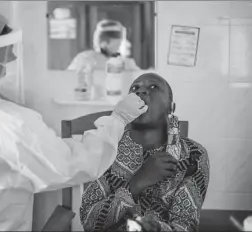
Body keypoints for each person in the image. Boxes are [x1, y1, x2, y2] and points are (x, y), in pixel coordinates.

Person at [0, 9, 149, 231]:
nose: (13, 55)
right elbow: (73, 165)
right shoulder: (7, 120)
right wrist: (118, 119)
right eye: (6, 50)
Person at [80, 73, 210, 232]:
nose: (140, 92)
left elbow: (185, 225)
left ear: (171, 107)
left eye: (153, 87)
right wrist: (137, 183)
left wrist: (155, 228)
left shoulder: (193, 156)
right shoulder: (107, 146)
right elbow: (88, 221)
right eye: (135, 88)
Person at [66, 19, 139, 71]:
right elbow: (67, 79)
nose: (127, 45)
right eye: (119, 42)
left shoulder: (127, 63)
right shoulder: (85, 59)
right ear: (105, 42)